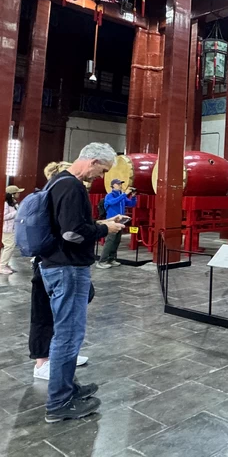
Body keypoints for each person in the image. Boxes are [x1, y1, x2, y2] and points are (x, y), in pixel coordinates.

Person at [40, 143, 125, 423]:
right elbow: (72, 234)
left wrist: (101, 222)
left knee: (66, 332)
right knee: (68, 335)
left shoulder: (57, 182)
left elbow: (70, 225)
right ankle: (59, 403)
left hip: (56, 265)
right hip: (67, 269)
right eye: (101, 170)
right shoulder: (73, 187)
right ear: (92, 160)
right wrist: (105, 228)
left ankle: (68, 388)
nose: (98, 177)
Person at [30, 162, 90, 381]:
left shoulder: (54, 189)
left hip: (50, 260)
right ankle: (44, 363)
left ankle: (59, 358)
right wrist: (100, 228)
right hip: (58, 262)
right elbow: (70, 232)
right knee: (46, 314)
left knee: (59, 315)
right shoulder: (66, 187)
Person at [97, 179, 136, 269]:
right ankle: (102, 261)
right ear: (113, 186)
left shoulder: (121, 196)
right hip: (111, 222)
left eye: (121, 184)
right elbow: (113, 202)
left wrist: (133, 197)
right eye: (118, 184)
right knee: (110, 241)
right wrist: (124, 194)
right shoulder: (109, 196)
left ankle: (111, 259)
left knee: (116, 241)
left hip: (120, 222)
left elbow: (131, 204)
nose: (120, 185)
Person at [1, 185, 23, 274]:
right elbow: (4, 216)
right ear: (12, 194)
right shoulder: (5, 203)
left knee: (10, 247)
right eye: (17, 192)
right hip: (7, 229)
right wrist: (16, 212)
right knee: (9, 247)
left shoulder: (13, 202)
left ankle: (4, 264)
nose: (19, 193)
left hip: (13, 228)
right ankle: (2, 266)